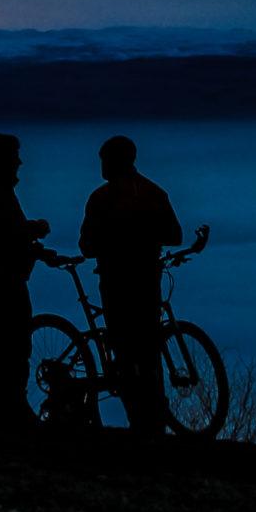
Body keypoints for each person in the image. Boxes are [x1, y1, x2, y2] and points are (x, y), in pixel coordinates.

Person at [78, 134, 182, 435]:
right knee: (148, 349)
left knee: (125, 348)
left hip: (115, 282)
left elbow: (86, 245)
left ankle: (139, 417)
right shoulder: (154, 193)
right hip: (147, 280)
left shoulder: (100, 198)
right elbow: (175, 235)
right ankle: (152, 419)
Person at [0, 132, 52, 425]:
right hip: (6, 276)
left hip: (3, 274)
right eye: (13, 156)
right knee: (11, 342)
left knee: (10, 341)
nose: (19, 162)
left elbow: (5, 234)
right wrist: (36, 229)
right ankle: (6, 407)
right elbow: (7, 234)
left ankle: (3, 406)